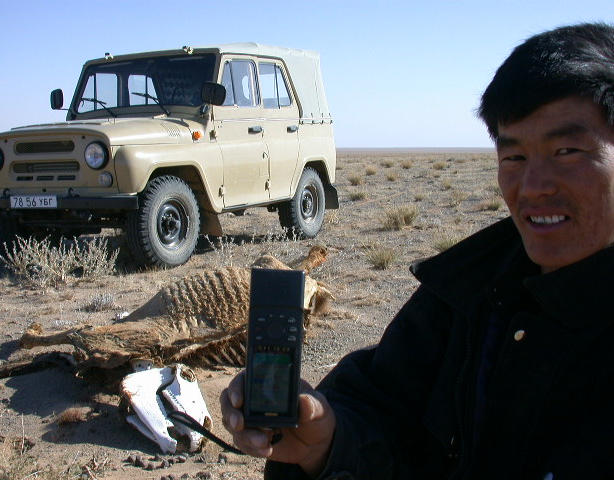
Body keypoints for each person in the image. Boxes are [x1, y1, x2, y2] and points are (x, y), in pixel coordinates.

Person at [220, 22, 614, 479]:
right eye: (514, 158)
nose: (534, 187)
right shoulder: (469, 292)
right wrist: (328, 446)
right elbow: (383, 407)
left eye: (567, 150)